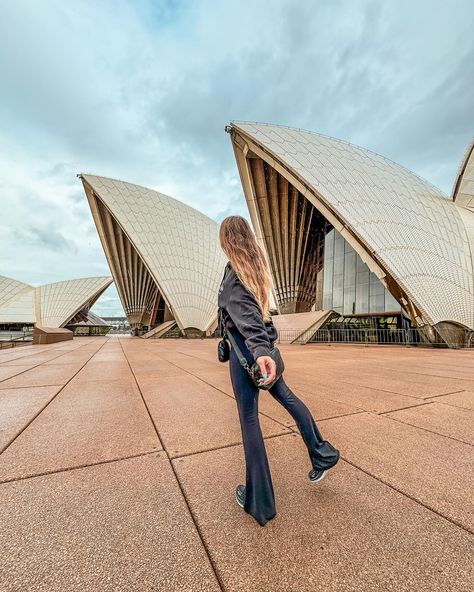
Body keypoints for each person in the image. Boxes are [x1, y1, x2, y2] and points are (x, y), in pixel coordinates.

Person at [218, 215, 340, 526]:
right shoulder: (255, 271)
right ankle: (321, 452)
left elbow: (248, 321)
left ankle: (259, 500)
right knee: (287, 397)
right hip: (263, 353)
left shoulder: (235, 277)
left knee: (249, 419)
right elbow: (261, 318)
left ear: (226, 241)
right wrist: (267, 349)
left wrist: (259, 353)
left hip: (248, 357)